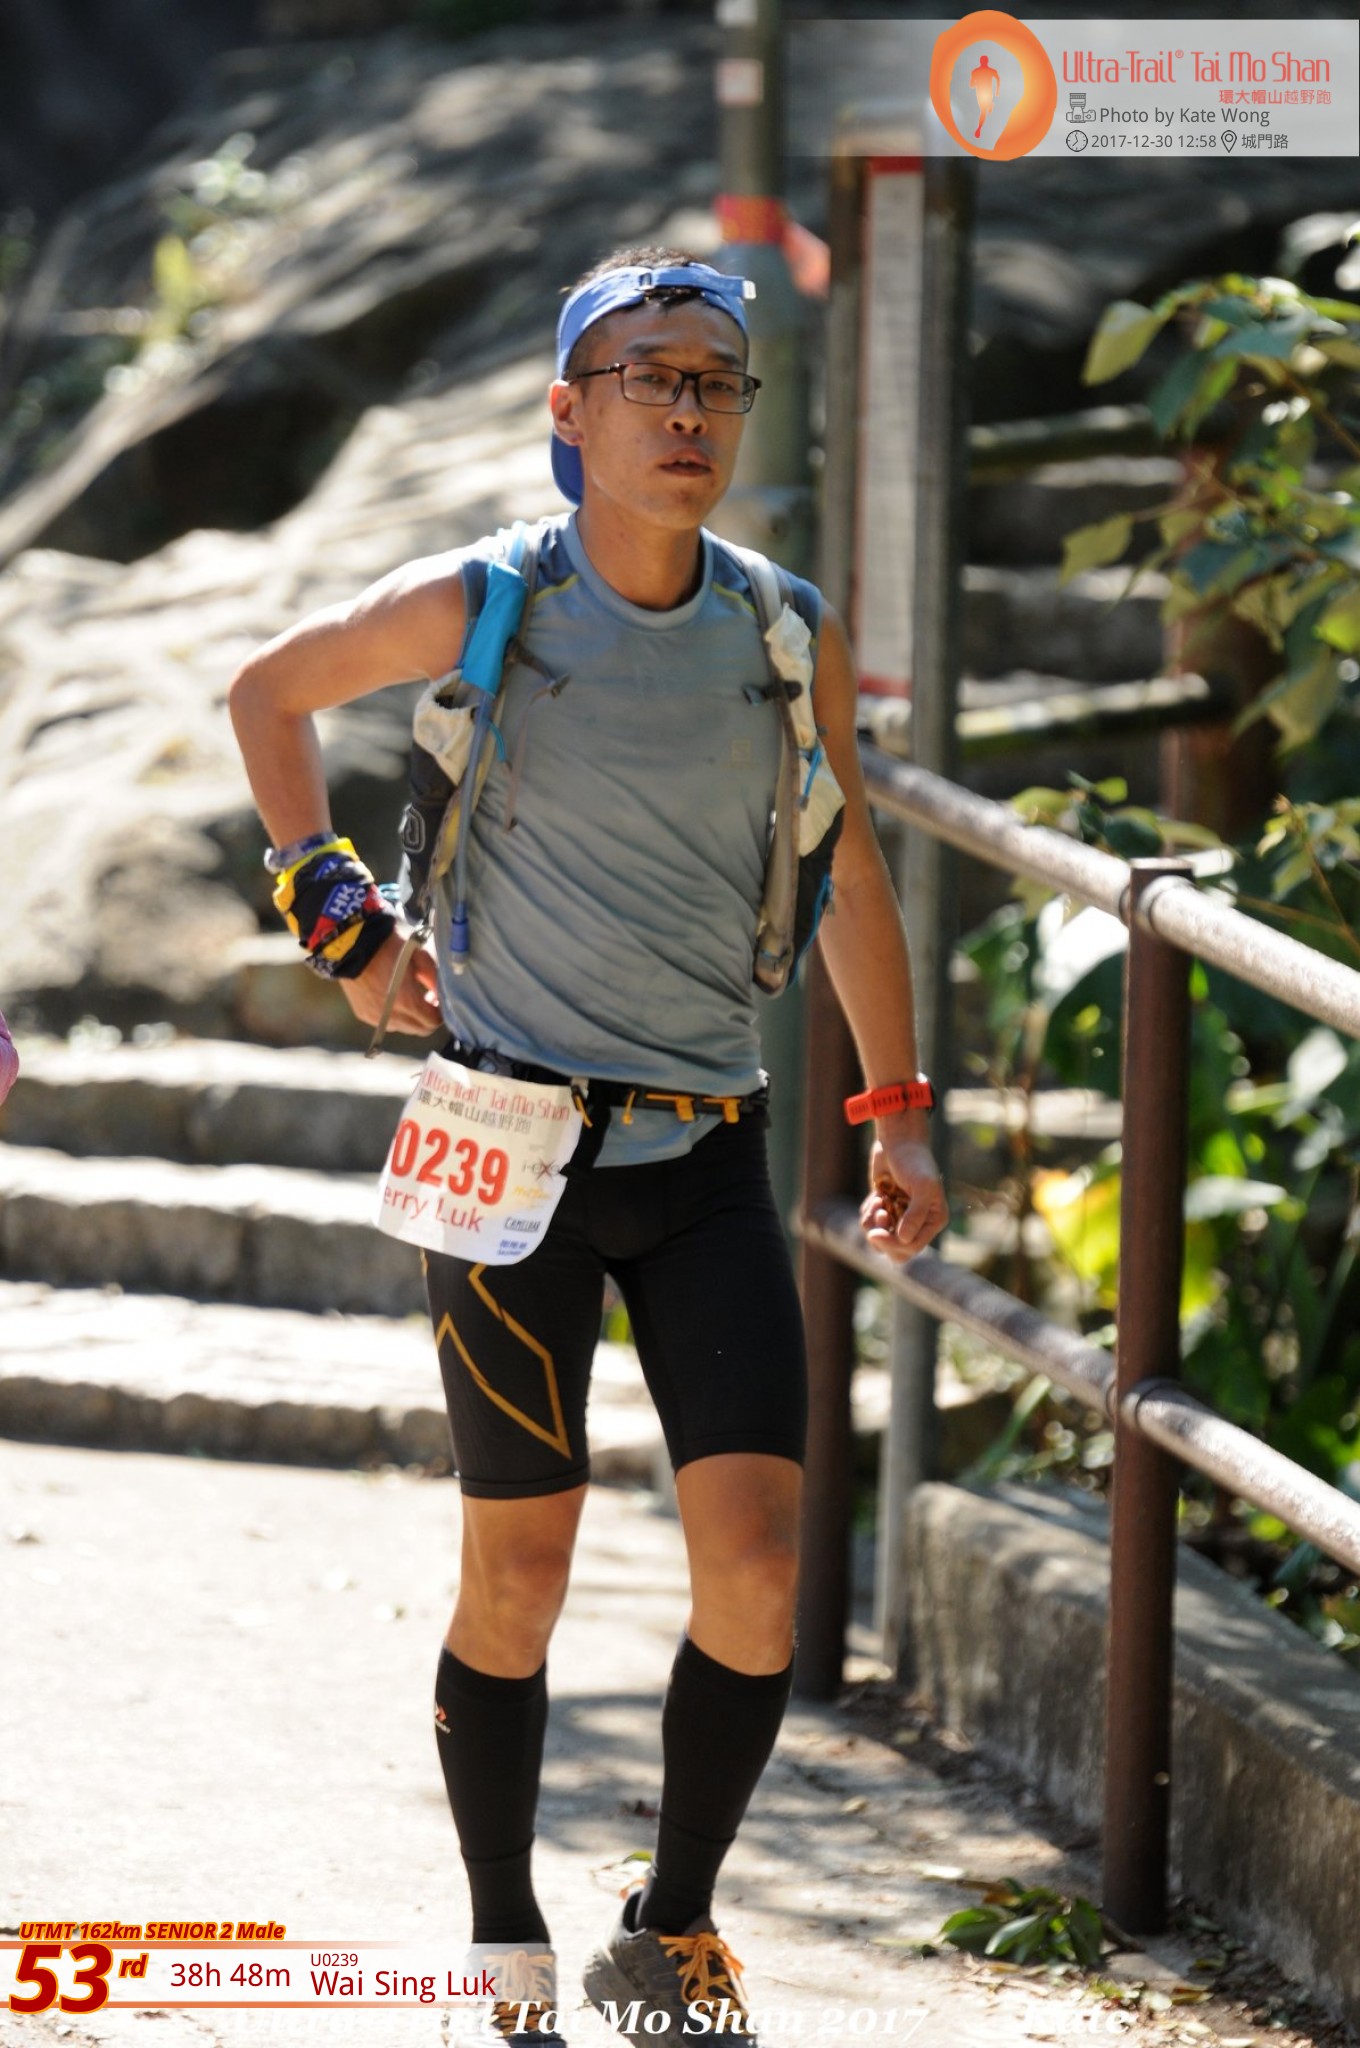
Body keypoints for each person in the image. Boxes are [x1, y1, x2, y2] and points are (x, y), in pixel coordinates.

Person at [228, 246, 947, 2045]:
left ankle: (671, 1926)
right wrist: (339, 918)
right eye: (651, 377)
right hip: (505, 1150)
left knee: (761, 1580)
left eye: (715, 381)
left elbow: (849, 869)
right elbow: (267, 692)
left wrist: (897, 1109)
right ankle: (502, 1939)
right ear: (571, 410)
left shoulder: (781, 630)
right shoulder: (488, 598)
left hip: (708, 1152)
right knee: (519, 1576)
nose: (688, 409)